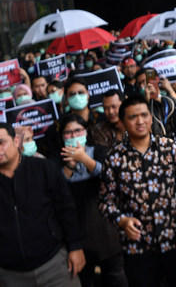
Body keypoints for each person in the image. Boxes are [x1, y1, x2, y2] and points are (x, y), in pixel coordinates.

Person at [99, 95, 176, 287]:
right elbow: (105, 202)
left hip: (175, 239)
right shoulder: (114, 159)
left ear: (151, 118)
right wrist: (122, 220)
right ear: (122, 122)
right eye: (133, 117)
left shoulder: (170, 148)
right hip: (137, 248)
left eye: (144, 115)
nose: (140, 121)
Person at [0, 122, 86, 285]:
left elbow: (66, 209)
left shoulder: (44, 169)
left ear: (16, 142)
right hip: (10, 274)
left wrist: (75, 246)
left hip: (54, 264)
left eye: (1, 142)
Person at [55, 113, 127, 287]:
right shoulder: (56, 160)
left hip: (107, 229)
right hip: (79, 234)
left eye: (78, 130)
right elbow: (58, 192)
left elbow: (110, 176)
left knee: (116, 277)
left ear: (85, 132)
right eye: (68, 132)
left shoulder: (98, 151)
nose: (73, 136)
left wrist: (84, 159)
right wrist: (70, 166)